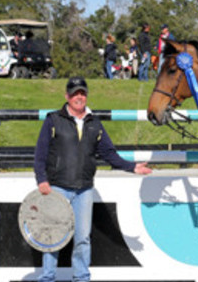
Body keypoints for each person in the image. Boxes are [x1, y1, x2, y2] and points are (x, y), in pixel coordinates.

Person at [33, 76, 152, 282]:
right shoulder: (53, 120)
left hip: (84, 190)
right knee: (52, 236)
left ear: (86, 96)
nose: (79, 97)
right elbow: (40, 153)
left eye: (82, 93)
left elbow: (109, 154)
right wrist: (42, 180)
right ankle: (47, 277)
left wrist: (132, 167)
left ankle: (81, 277)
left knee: (82, 239)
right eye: (75, 93)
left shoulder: (94, 123)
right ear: (67, 96)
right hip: (57, 188)